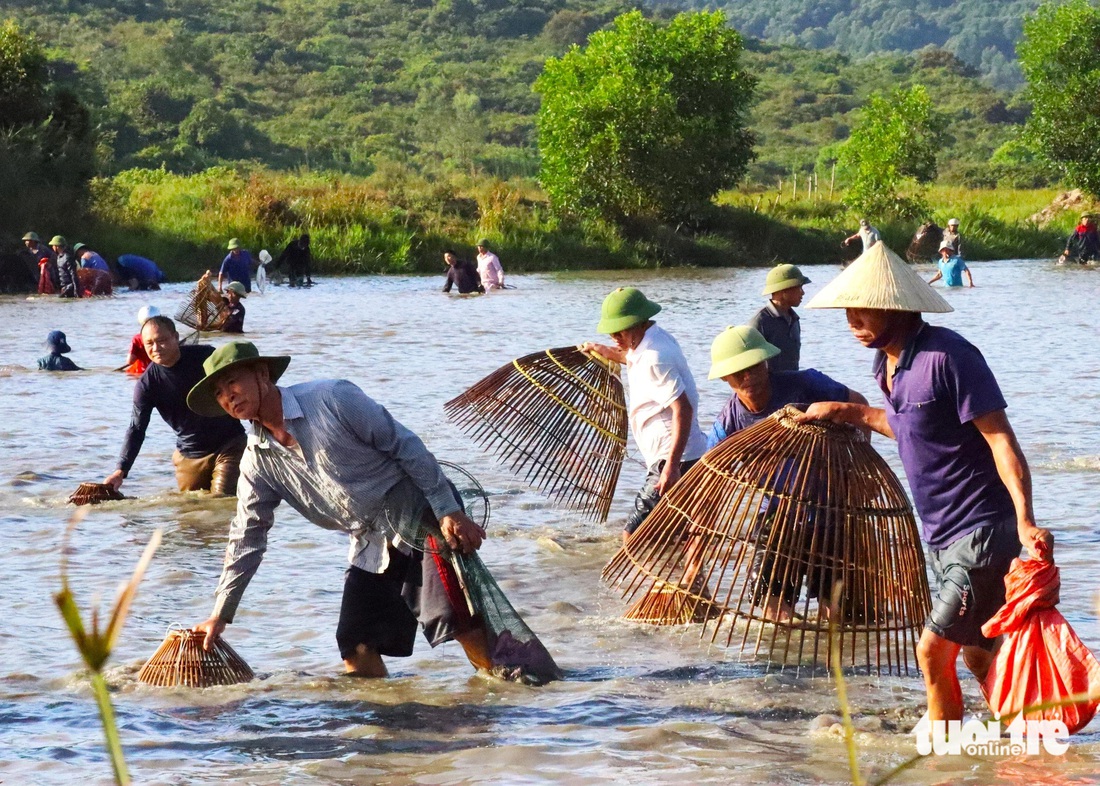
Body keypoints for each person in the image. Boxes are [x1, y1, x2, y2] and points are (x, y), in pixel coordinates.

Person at [800, 242, 1053, 724]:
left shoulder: (950, 356)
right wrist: (846, 411)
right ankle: (1021, 734)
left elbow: (1001, 441)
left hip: (981, 527)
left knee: (932, 652)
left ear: (898, 307)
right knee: (978, 652)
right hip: (938, 533)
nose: (852, 321)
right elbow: (910, 427)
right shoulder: (887, 364)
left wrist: (1024, 520)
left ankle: (941, 763)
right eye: (848, 311)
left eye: (863, 310)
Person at [184, 341, 496, 678]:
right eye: (218, 393)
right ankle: (386, 723)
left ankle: (499, 695)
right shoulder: (256, 462)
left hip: (419, 514)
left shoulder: (332, 398)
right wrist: (221, 612)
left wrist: (448, 509)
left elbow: (405, 445)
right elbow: (248, 535)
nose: (228, 396)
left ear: (262, 374)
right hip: (369, 541)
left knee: (456, 620)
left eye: (232, 382)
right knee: (355, 641)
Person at [705, 325, 868, 621]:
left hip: (828, 512)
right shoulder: (729, 420)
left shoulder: (806, 384)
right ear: (726, 379)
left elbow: (861, 406)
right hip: (776, 515)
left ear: (766, 363)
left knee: (834, 609)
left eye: (754, 367)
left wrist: (859, 469)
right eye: (739, 372)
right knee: (772, 605)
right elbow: (712, 470)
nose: (748, 377)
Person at [582, 288, 707, 544]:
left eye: (620, 331)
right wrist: (605, 350)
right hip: (686, 453)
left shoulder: (654, 357)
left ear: (639, 323)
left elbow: (683, 408)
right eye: (611, 332)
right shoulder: (655, 338)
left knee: (633, 534)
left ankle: (628, 580)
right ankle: (681, 580)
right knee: (675, 531)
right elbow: (634, 357)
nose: (614, 336)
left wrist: (671, 467)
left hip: (672, 457)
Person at [102, 315, 247, 496]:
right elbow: (136, 428)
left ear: (176, 337)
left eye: (161, 341)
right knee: (191, 515)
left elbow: (241, 387)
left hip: (229, 444)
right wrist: (121, 470)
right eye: (149, 343)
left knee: (222, 500)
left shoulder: (206, 357)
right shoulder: (147, 385)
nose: (156, 348)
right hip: (189, 455)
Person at [746, 264, 811, 373]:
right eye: (799, 287)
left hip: (792, 386)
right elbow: (749, 363)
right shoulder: (760, 321)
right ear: (783, 291)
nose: (803, 293)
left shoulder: (794, 319)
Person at [124, 305, 159, 376]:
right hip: (159, 371)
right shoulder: (164, 336)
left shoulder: (137, 339)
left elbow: (130, 361)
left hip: (143, 373)